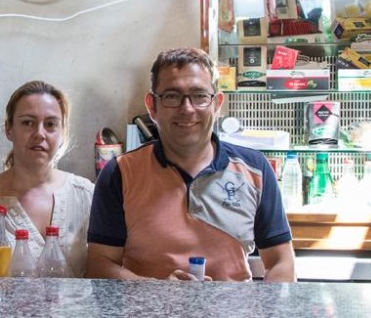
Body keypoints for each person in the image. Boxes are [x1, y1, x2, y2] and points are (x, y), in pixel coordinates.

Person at [86, 48, 296, 282]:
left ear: (217, 104)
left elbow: (282, 262)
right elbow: (98, 265)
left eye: (199, 96)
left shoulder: (255, 169)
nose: (187, 109)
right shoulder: (119, 173)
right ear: (152, 106)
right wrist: (156, 291)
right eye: (172, 96)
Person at [0, 80, 94, 277]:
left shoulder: (85, 195)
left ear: (62, 133)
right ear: (9, 129)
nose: (39, 134)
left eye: (50, 124)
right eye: (28, 123)